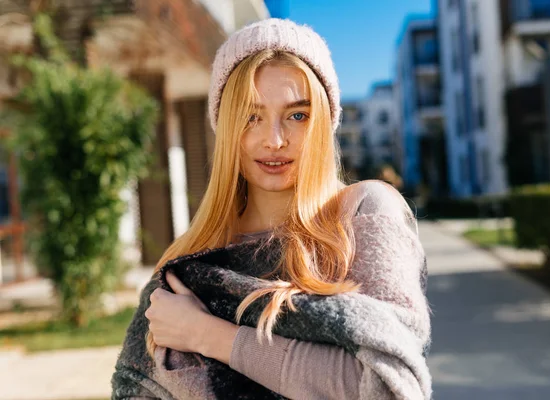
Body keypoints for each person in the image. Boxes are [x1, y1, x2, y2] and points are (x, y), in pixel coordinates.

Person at [112, 18, 432, 400]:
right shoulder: (189, 263)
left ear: (324, 123)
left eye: (298, 115)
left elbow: (387, 388)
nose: (274, 140)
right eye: (251, 116)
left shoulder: (364, 212)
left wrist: (207, 335)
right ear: (227, 127)